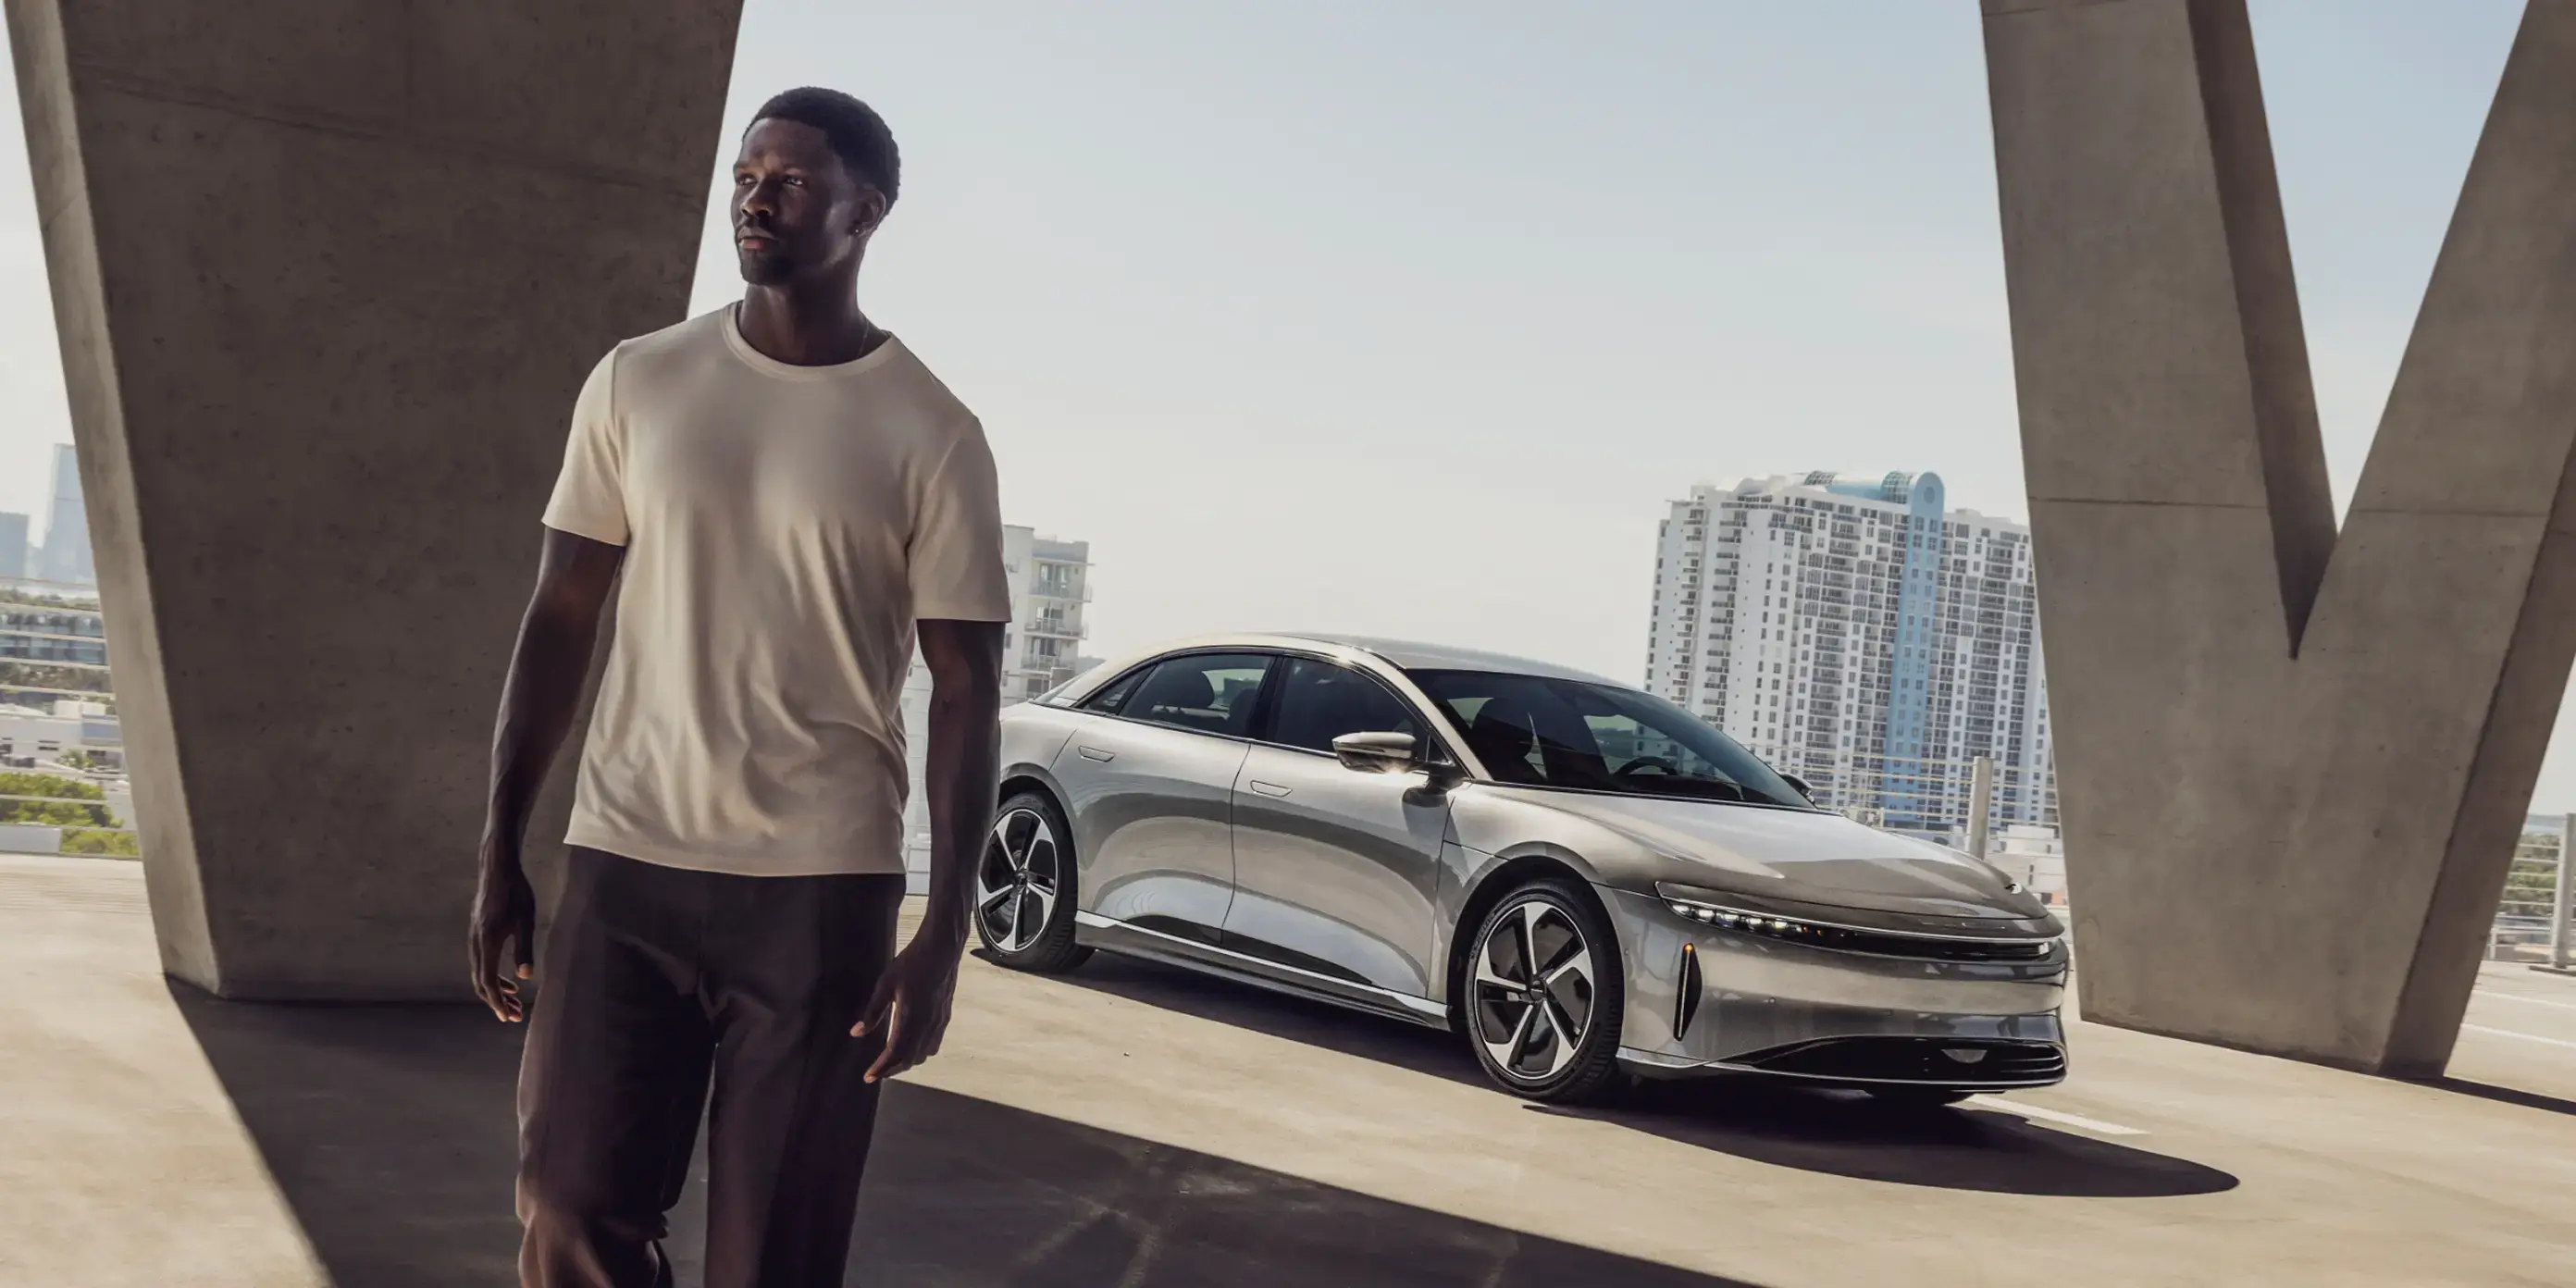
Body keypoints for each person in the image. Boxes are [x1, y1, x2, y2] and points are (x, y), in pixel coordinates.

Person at [467, 86, 1008, 1288]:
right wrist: (503, 844)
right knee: (566, 1213)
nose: (756, 199)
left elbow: (968, 687)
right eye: (745, 175)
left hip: (820, 896)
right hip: (626, 870)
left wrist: (944, 933)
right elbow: (562, 614)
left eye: (791, 180)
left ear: (866, 210)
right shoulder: (637, 381)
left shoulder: (932, 432)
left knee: (773, 1262)